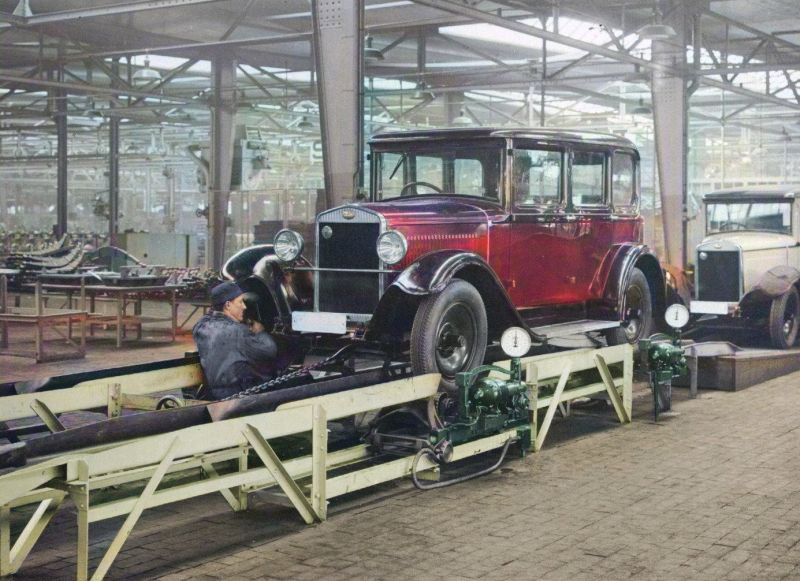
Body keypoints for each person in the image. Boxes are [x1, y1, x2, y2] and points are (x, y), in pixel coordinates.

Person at [193, 280, 279, 399]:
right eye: (240, 302)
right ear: (228, 305)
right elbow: (270, 350)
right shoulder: (237, 332)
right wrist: (259, 331)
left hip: (212, 392)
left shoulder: (200, 326)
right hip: (236, 395)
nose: (244, 306)